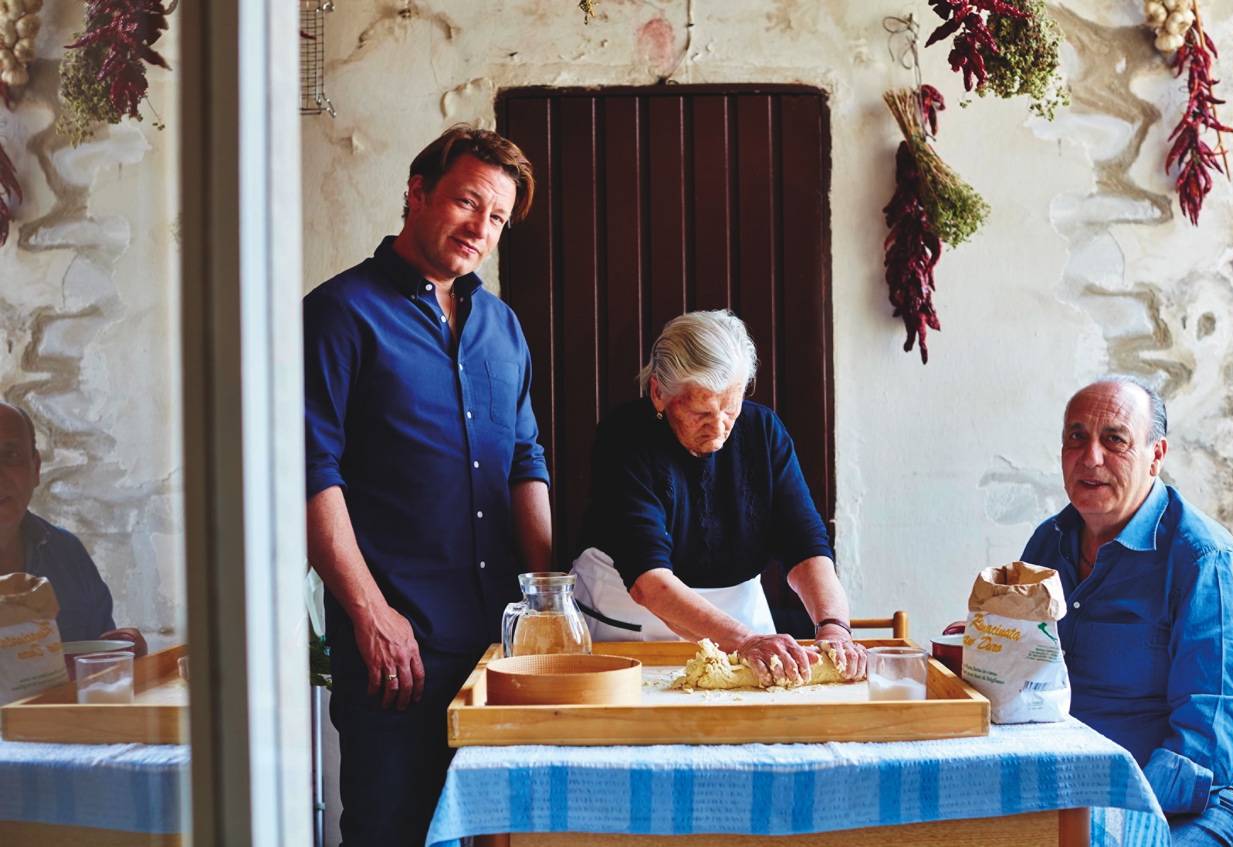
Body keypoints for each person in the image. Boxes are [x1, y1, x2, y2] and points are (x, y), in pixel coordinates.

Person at [304, 125, 551, 846]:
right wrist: (370, 612)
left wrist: (544, 600)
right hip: (397, 648)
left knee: (508, 835)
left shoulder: (502, 327)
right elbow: (310, 473)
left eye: (498, 217)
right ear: (417, 194)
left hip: (499, 648)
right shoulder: (338, 314)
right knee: (392, 833)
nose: (482, 228)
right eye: (468, 203)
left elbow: (525, 462)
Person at [1021, 377, 1233, 844]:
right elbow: (1021, 670)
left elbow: (1209, 744)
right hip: (1079, 786)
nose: (1090, 457)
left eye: (1114, 439)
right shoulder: (1047, 542)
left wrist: (1114, 814)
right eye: (1076, 437)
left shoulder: (1204, 561)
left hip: (1210, 799)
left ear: (1156, 456)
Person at [570, 310, 867, 686]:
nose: (719, 427)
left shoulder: (763, 431)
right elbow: (647, 580)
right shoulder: (624, 439)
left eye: (730, 408)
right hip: (632, 613)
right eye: (700, 411)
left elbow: (805, 544)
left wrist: (834, 625)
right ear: (659, 393)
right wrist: (744, 640)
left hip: (742, 619)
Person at [0, 401, 147, 652]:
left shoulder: (67, 555)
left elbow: (100, 670)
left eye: (10, 455)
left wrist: (121, 653)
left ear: (35, 469)